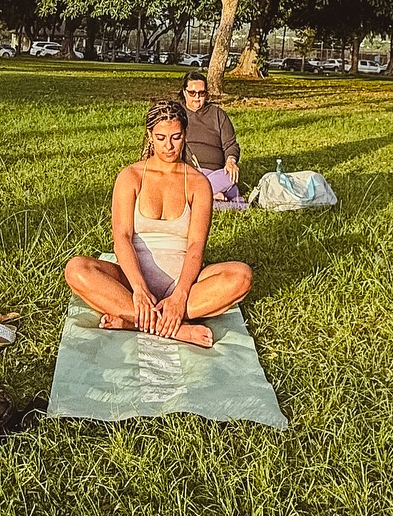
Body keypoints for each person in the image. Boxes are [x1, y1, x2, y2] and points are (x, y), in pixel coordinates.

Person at [64, 97, 252, 347]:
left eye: (175, 137)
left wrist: (180, 295)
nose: (169, 146)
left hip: (185, 286)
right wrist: (139, 290)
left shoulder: (197, 183)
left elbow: (196, 245)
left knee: (241, 276)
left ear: (185, 134)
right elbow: (122, 237)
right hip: (131, 284)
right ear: (150, 136)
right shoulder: (131, 176)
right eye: (161, 138)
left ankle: (137, 321)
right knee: (77, 269)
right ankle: (172, 329)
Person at [181, 69, 246, 205]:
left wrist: (231, 161)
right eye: (192, 93)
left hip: (218, 173)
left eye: (201, 93)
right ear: (184, 92)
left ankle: (199, 198)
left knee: (230, 178)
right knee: (236, 199)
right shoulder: (178, 115)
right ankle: (216, 199)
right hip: (189, 173)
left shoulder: (218, 114)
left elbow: (231, 144)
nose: (197, 97)